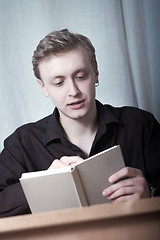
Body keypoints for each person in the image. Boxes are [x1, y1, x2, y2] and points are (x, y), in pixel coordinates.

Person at [0, 29, 160, 218]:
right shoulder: (21, 143)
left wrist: (150, 195)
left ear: (96, 73)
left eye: (81, 77)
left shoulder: (140, 125)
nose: (73, 91)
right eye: (59, 83)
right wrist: (40, 186)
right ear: (43, 87)